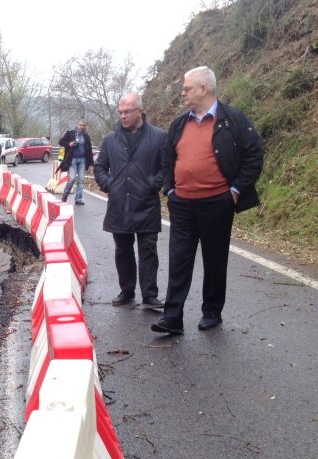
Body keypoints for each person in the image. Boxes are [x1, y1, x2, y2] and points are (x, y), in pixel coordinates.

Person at [152, 66, 264, 335]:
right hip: (182, 204)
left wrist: (235, 190)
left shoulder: (233, 120)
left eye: (187, 88)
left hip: (218, 203)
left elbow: (254, 156)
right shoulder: (179, 123)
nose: (183, 93)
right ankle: (172, 317)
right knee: (179, 259)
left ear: (204, 89)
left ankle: (211, 311)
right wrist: (170, 190)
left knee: (215, 259)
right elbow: (167, 157)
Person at [94, 93, 166, 309]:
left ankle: (149, 295)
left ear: (140, 111)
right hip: (119, 204)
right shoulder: (110, 139)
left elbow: (166, 167)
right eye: (120, 112)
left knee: (148, 249)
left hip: (147, 203)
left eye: (128, 111)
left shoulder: (159, 137)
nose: (123, 116)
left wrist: (154, 184)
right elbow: (99, 167)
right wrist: (109, 185)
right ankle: (126, 290)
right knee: (122, 249)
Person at [59, 120, 95, 205]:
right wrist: (69, 144)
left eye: (83, 125)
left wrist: (91, 164)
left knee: (81, 179)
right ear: (77, 125)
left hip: (82, 160)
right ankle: (65, 194)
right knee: (72, 178)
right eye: (80, 125)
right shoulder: (70, 134)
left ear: (85, 127)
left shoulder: (86, 137)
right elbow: (61, 142)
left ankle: (78, 199)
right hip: (72, 160)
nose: (81, 127)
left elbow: (89, 150)